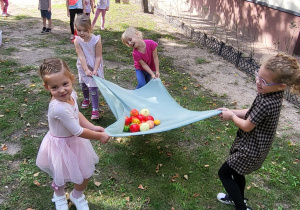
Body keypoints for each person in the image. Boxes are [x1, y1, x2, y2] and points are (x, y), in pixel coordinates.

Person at [216, 53, 300, 210]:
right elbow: (252, 112)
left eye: (263, 81)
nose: (258, 82)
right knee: (237, 172)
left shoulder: (267, 102)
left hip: (250, 150)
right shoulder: (272, 93)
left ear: (281, 85)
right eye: (258, 76)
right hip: (253, 147)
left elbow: (247, 125)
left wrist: (231, 116)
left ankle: (241, 207)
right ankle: (238, 199)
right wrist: (231, 110)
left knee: (224, 173)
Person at [36, 58, 110, 210]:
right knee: (60, 176)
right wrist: (100, 136)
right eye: (55, 87)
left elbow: (77, 115)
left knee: (85, 173)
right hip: (60, 146)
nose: (62, 90)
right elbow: (78, 131)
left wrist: (93, 127)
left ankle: (77, 195)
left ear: (72, 79)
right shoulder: (58, 108)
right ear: (47, 87)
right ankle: (59, 195)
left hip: (75, 143)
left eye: (65, 84)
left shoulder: (72, 95)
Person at [74, 14, 104, 120]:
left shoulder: (96, 40)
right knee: (84, 83)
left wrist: (95, 69)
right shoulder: (77, 41)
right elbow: (81, 56)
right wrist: (86, 69)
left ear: (90, 28)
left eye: (84, 30)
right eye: (79, 30)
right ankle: (86, 98)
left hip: (95, 64)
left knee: (93, 86)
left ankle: (95, 109)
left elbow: (98, 56)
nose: (81, 33)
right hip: (83, 65)